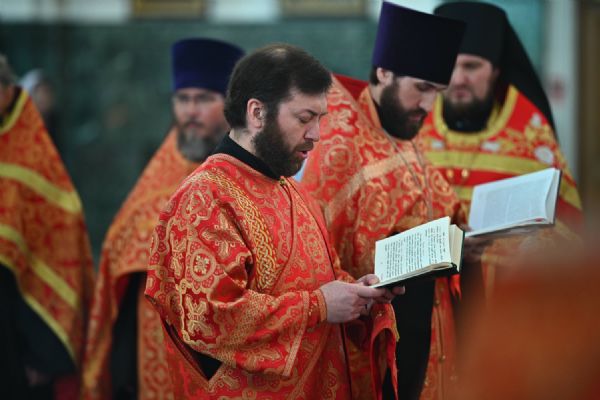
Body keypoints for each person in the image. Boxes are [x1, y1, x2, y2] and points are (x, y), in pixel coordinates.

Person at [144, 43, 402, 400]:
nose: (316, 134)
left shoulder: (295, 192)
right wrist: (319, 306)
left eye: (320, 119)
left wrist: (359, 294)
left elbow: (321, 279)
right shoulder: (204, 198)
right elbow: (209, 318)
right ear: (257, 113)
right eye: (304, 118)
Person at [301, 3, 479, 399]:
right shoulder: (339, 144)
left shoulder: (403, 129)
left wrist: (463, 238)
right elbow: (319, 256)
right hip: (377, 345)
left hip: (432, 331)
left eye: (438, 92)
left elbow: (439, 206)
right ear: (384, 72)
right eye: (422, 88)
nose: (429, 106)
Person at [81, 38, 244, 400]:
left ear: (231, 105)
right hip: (154, 351)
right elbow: (118, 269)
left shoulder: (249, 177)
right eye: (182, 99)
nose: (191, 111)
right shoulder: (155, 184)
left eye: (204, 99)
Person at [416, 1, 583, 296]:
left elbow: (568, 232)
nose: (458, 79)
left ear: (495, 70)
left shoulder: (531, 136)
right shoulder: (413, 128)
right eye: (450, 64)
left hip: (504, 301)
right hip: (429, 302)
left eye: (471, 66)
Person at [0, 54, 94, 399]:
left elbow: (57, 255)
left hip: (18, 343)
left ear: (7, 92)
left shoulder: (33, 159)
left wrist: (43, 356)